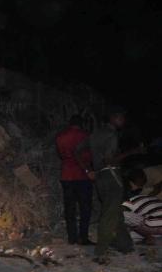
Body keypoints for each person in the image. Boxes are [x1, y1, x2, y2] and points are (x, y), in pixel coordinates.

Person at [89, 107, 134, 262]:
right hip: (111, 175)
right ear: (114, 118)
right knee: (110, 214)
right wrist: (133, 152)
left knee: (115, 211)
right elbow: (110, 159)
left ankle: (125, 244)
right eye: (122, 118)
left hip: (100, 176)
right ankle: (100, 250)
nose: (124, 121)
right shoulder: (112, 135)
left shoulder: (96, 134)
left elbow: (78, 150)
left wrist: (88, 169)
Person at [55, 115, 94, 245]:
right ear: (81, 124)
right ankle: (83, 237)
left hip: (66, 175)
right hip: (82, 175)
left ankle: (72, 237)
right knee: (85, 208)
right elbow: (89, 156)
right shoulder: (86, 136)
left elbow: (61, 155)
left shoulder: (60, 136)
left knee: (70, 209)